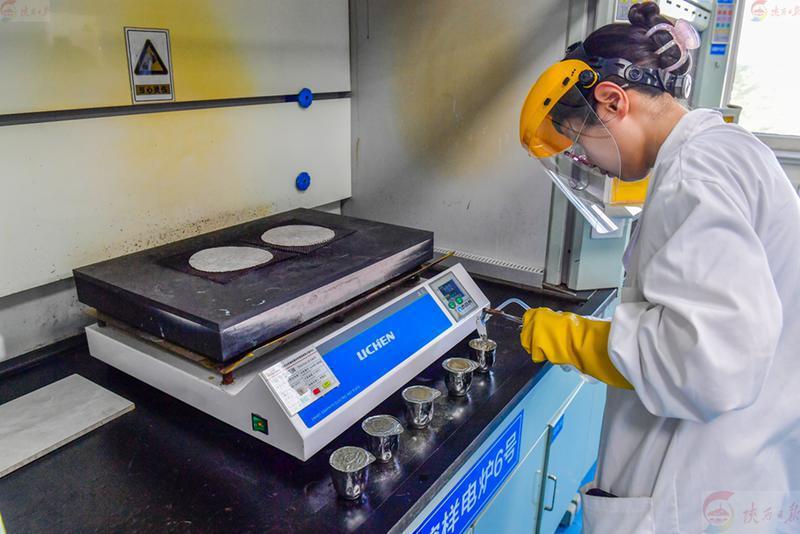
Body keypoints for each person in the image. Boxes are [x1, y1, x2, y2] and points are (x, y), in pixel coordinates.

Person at [517, 2, 800, 532]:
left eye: (578, 142)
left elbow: (710, 363)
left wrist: (576, 340)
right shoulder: (725, 150)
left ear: (612, 100)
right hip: (747, 463)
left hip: (695, 489)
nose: (585, 161)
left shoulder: (695, 174)